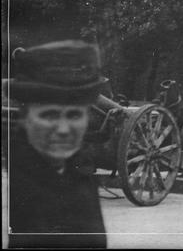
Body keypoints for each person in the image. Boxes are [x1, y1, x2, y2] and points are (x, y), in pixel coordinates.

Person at [4, 40, 108, 249]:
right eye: (49, 115)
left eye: (74, 115)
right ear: (25, 119)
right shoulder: (19, 184)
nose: (63, 129)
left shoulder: (78, 170)